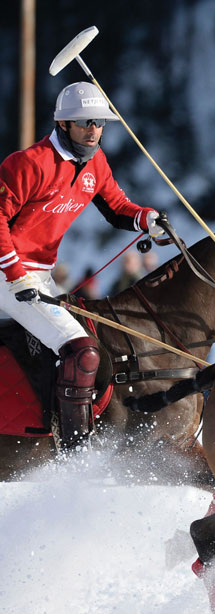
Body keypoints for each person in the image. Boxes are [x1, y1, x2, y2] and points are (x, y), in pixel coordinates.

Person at [0, 81, 169, 452]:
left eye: (100, 123)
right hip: (6, 270)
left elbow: (117, 208)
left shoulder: (96, 162)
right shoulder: (28, 163)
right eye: (86, 122)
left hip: (38, 273)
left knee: (92, 345)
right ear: (63, 124)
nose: (94, 130)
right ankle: (74, 453)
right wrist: (14, 274)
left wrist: (147, 219)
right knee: (83, 351)